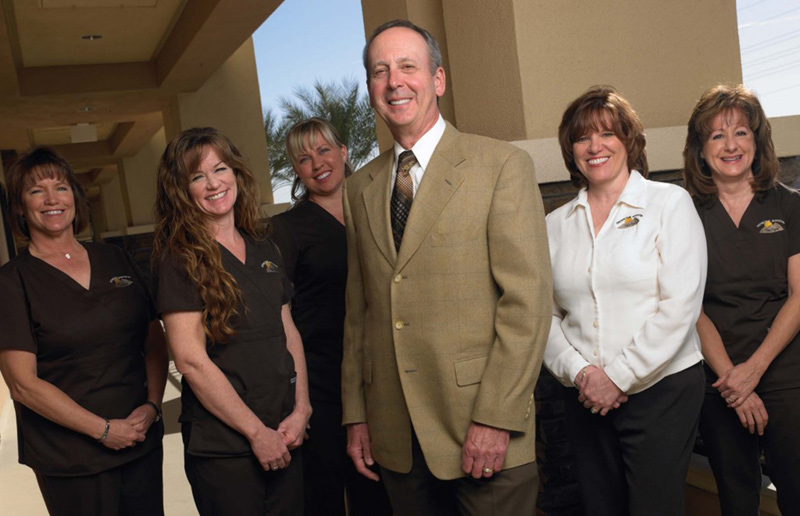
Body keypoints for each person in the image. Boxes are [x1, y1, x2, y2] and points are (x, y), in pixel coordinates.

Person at [341, 19, 552, 516]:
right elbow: (360, 314)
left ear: (437, 80)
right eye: (380, 71)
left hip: (481, 429)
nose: (394, 81)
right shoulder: (360, 187)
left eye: (408, 67)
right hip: (394, 435)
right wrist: (357, 415)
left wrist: (496, 418)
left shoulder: (500, 166)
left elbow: (528, 302)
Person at [544, 85, 707, 516]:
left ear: (629, 140)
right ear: (571, 149)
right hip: (584, 395)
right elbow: (542, 315)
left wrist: (616, 377)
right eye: (582, 138)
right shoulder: (554, 225)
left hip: (662, 392)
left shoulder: (669, 203)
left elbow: (680, 306)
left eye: (607, 134)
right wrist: (581, 373)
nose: (594, 147)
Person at [0, 147, 167, 516]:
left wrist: (153, 405)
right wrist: (104, 430)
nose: (51, 199)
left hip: (139, 439)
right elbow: (23, 385)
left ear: (75, 196)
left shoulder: (115, 259)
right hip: (71, 457)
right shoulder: (12, 282)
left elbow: (153, 339)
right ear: (19, 207)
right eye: (35, 191)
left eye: (60, 187)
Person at [152, 127, 311, 515]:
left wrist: (301, 408)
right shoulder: (178, 258)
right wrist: (257, 433)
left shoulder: (263, 246)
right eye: (197, 176)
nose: (213, 184)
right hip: (225, 447)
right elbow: (190, 360)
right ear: (181, 190)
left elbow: (287, 332)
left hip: (285, 429)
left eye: (220, 169)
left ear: (236, 172)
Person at [683, 84, 800, 516]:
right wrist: (733, 379)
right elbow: (688, 306)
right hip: (718, 375)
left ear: (758, 140)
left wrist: (755, 369)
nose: (730, 145)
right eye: (716, 135)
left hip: (785, 368)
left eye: (741, 133)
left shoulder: (789, 206)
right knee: (736, 497)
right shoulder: (686, 213)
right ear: (700, 148)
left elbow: (799, 295)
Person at [271, 118, 393, 516]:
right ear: (296, 171)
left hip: (382, 374)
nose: (317, 163)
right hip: (321, 381)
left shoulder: (381, 210)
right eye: (304, 158)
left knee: (380, 488)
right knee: (324, 492)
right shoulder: (285, 230)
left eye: (324, 150)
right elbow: (277, 314)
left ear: (343, 152)